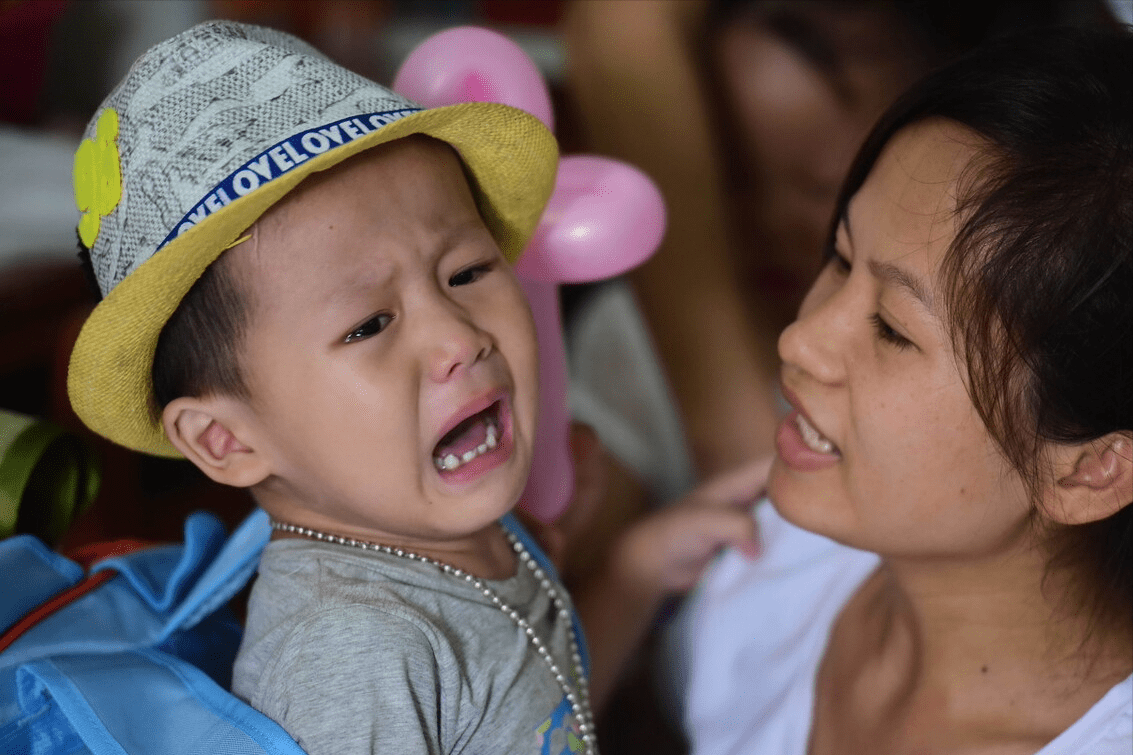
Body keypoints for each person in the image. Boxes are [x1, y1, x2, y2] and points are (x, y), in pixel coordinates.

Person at [65, 20, 761, 755]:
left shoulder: (446, 531)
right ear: (226, 439)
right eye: (368, 325)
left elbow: (535, 712)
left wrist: (633, 571)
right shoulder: (352, 651)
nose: (460, 338)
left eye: (466, 273)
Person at [656, 25, 1132, 754]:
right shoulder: (784, 547)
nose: (798, 340)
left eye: (889, 329)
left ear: (1092, 468)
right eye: (842, 258)